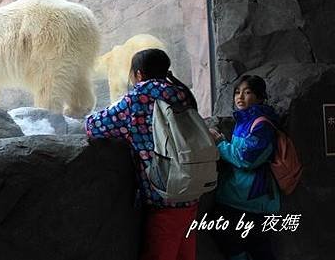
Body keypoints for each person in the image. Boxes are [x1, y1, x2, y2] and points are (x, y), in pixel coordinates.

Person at [85, 48, 199, 260]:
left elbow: (93, 126)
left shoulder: (137, 98)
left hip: (164, 195)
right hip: (192, 189)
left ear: (138, 74)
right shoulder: (181, 93)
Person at [209, 75, 280, 260]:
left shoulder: (261, 125)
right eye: (237, 92)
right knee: (251, 246)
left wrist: (220, 145)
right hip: (239, 194)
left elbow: (247, 159)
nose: (240, 97)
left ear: (260, 97)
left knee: (254, 246)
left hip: (252, 196)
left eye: (247, 92)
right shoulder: (244, 121)